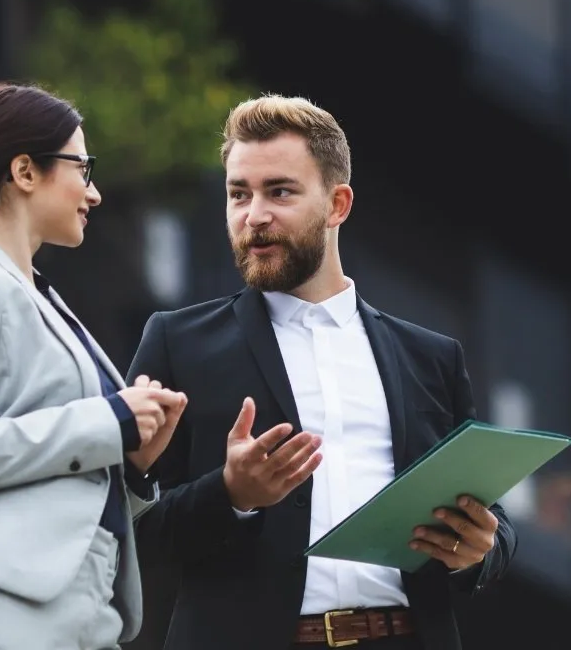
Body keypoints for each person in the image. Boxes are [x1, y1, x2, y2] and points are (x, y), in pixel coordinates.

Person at [128, 95, 516, 650]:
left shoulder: (430, 358)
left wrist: (481, 549)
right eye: (239, 194)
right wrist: (230, 494)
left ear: (338, 204)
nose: (253, 215)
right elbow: (125, 529)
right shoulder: (178, 343)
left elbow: (489, 519)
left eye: (279, 191)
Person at [0, 83, 189, 650]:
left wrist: (129, 463)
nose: (95, 193)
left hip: (77, 624)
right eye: (83, 167)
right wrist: (109, 423)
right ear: (25, 171)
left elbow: (60, 499)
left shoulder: (46, 303)